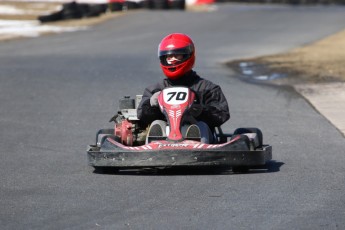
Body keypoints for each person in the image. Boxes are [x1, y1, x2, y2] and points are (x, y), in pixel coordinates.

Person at [137, 33, 230, 143]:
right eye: (168, 56)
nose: (172, 60)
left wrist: (200, 111)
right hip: (164, 140)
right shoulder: (155, 89)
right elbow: (142, 117)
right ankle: (157, 143)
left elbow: (222, 115)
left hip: (201, 141)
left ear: (188, 55)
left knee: (201, 126)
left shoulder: (207, 88)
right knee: (158, 124)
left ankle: (193, 137)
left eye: (177, 55)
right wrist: (152, 105)